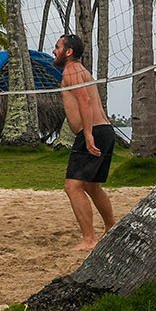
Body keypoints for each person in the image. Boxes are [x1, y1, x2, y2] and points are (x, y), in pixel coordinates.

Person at [54, 34, 115, 250]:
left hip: (94, 131)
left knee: (72, 186)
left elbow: (84, 100)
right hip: (104, 131)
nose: (54, 51)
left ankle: (89, 239)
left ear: (68, 52)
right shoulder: (81, 70)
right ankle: (111, 228)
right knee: (91, 185)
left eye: (57, 47)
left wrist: (87, 135)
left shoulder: (72, 70)